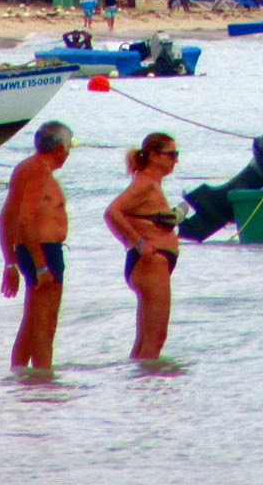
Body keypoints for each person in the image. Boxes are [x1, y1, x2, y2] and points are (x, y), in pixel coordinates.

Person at [0, 120, 73, 369]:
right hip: (43, 251)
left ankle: (20, 377)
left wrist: (10, 263)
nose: (69, 153)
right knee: (45, 326)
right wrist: (41, 266)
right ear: (60, 148)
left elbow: (6, 218)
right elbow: (25, 219)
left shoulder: (26, 167)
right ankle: (45, 383)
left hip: (31, 251)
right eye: (69, 147)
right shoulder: (39, 170)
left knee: (32, 323)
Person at [105, 132, 180, 361]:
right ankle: (151, 382)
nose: (176, 160)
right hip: (151, 263)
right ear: (154, 156)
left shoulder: (152, 183)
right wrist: (137, 243)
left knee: (146, 340)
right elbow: (112, 212)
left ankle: (139, 379)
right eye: (171, 154)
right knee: (156, 338)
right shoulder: (145, 183)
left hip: (152, 262)